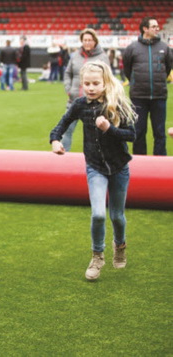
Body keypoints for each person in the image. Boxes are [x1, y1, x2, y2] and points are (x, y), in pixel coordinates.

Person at [50, 61, 137, 281]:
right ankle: (97, 257)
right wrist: (55, 140)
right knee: (98, 214)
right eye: (86, 83)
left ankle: (120, 245)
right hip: (95, 167)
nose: (90, 87)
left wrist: (110, 129)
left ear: (105, 83)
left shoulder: (115, 104)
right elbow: (62, 123)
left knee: (117, 216)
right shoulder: (80, 105)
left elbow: (132, 135)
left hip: (119, 167)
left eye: (95, 83)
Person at [123, 16, 172, 156]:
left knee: (160, 132)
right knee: (138, 131)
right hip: (138, 97)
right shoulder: (132, 48)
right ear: (145, 29)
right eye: (154, 26)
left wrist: (159, 80)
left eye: (157, 26)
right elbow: (127, 69)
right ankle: (139, 162)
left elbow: (168, 68)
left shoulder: (164, 48)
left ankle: (160, 162)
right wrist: (136, 82)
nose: (157, 28)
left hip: (159, 96)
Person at [62, 28, 110, 152]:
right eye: (85, 40)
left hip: (94, 104)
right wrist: (69, 89)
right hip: (74, 101)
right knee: (66, 130)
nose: (87, 42)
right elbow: (67, 74)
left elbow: (108, 79)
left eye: (90, 40)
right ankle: (63, 158)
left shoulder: (102, 57)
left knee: (95, 135)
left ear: (95, 41)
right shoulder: (75, 56)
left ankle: (98, 159)